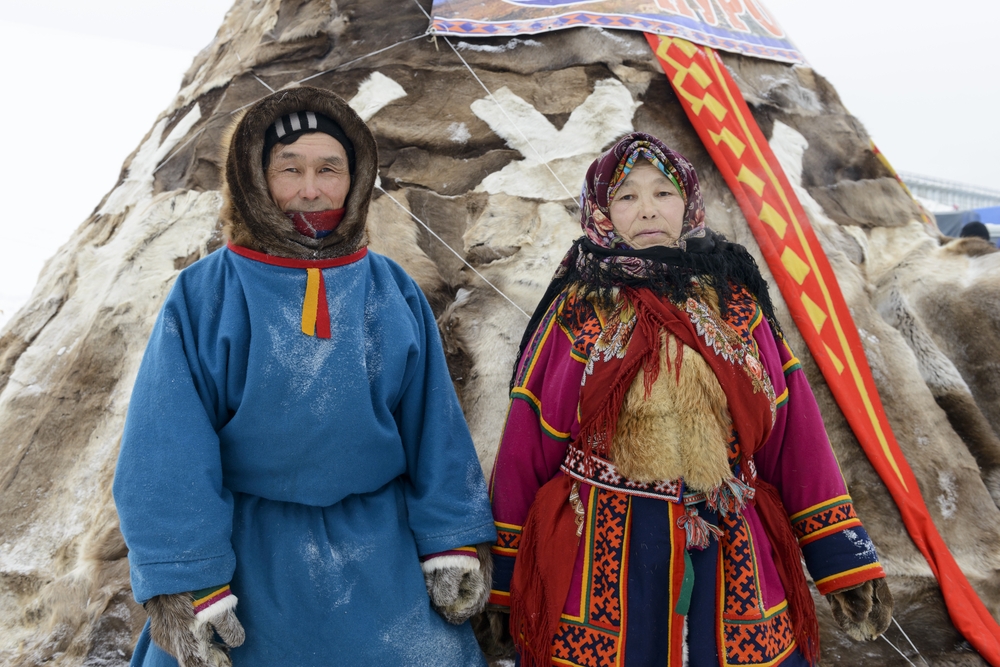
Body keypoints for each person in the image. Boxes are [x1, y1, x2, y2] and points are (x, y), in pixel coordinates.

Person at [113, 86, 496, 667]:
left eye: (328, 169)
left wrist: (451, 541)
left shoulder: (391, 290)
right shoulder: (203, 294)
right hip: (249, 551)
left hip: (380, 551)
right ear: (254, 178)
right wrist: (191, 579)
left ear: (357, 177)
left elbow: (434, 429)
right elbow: (166, 447)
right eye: (289, 169)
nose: (311, 189)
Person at [482, 133, 893, 666]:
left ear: (688, 203)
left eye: (663, 193)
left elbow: (794, 436)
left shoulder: (737, 305)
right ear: (602, 213)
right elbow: (526, 447)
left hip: (729, 544)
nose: (648, 209)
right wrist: (505, 583)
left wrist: (843, 560)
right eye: (626, 197)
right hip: (601, 552)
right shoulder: (578, 311)